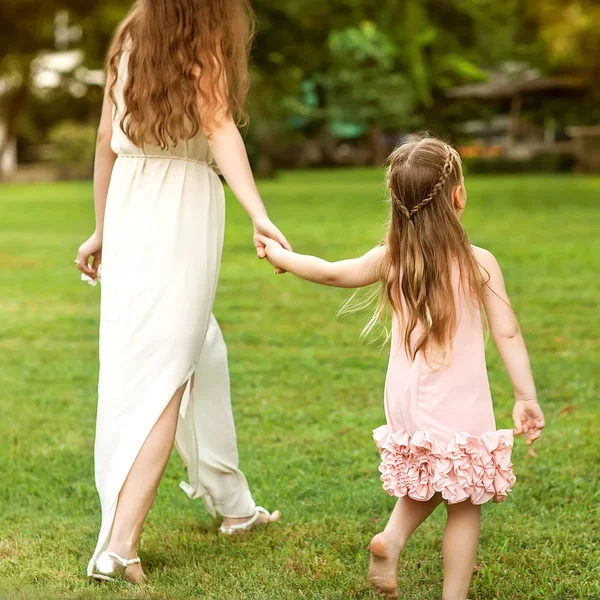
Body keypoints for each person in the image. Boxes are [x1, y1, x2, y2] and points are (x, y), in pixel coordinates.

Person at [258, 135, 545, 600]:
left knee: (433, 475)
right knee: (465, 501)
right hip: (456, 399)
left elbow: (331, 271)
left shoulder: (394, 258)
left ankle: (390, 541)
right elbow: (508, 332)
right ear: (458, 196)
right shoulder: (479, 264)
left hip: (406, 398)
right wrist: (525, 396)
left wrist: (279, 256)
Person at [75, 0, 286, 583]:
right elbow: (218, 128)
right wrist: (259, 214)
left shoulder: (130, 32)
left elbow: (103, 137)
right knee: (165, 373)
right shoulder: (201, 37)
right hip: (179, 209)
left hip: (131, 201)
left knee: (201, 350)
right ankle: (118, 548)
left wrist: (102, 228)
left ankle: (235, 507)